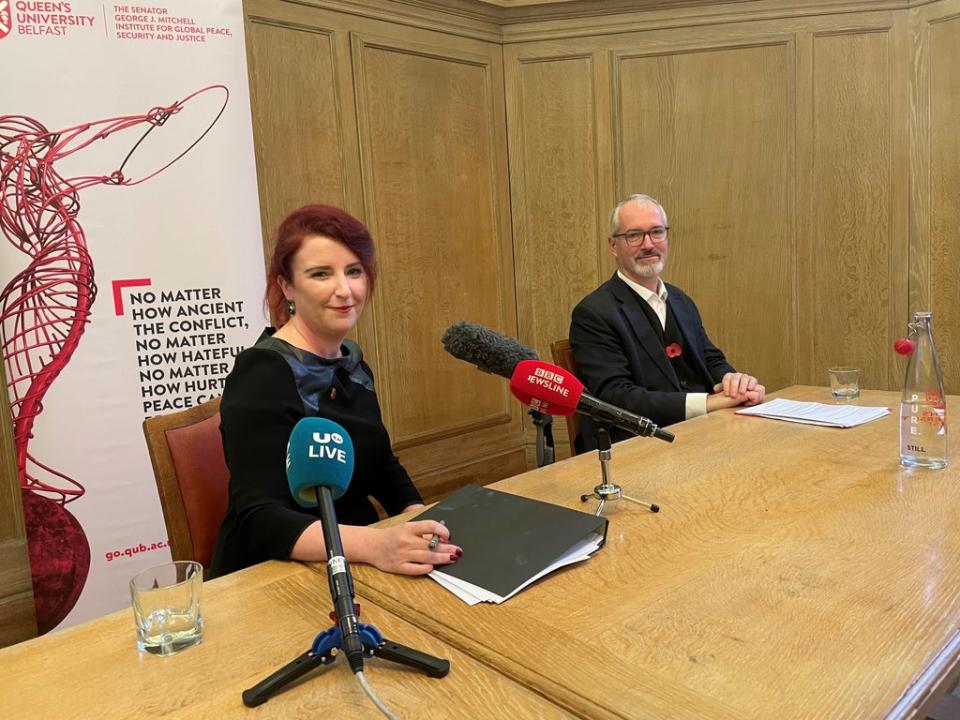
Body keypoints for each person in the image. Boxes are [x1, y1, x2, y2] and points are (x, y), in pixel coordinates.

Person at [210, 205, 462, 577]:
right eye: (321, 274)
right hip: (277, 569)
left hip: (357, 556)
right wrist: (377, 545)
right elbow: (259, 519)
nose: (345, 290)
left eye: (354, 271)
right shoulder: (262, 373)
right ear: (286, 285)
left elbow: (379, 461)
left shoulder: (351, 363)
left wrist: (415, 515)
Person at [569, 194, 765, 451]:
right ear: (613, 246)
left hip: (701, 434)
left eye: (656, 232)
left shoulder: (680, 299)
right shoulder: (593, 313)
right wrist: (707, 403)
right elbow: (616, 397)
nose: (648, 244)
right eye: (634, 235)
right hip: (636, 445)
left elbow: (710, 359)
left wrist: (733, 382)